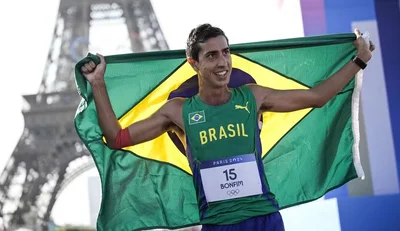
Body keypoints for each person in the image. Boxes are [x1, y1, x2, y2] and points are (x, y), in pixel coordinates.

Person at [81, 24, 375, 231]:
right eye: (212, 55)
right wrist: (98, 84)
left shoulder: (253, 96)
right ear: (193, 63)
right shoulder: (179, 112)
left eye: (225, 52)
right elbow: (117, 138)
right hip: (218, 224)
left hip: (264, 219)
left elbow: (318, 97)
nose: (223, 62)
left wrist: (359, 61)